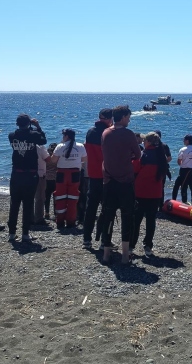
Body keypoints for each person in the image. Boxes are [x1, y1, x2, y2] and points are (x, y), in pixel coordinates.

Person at [96, 105, 142, 262]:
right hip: (125, 181)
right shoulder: (128, 134)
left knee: (108, 215)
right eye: (128, 117)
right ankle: (124, 255)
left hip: (108, 180)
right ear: (123, 117)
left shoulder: (105, 132)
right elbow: (138, 154)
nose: (129, 119)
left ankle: (106, 253)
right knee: (127, 216)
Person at [7, 114, 47, 242]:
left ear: (17, 123)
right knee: (28, 203)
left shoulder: (12, 135)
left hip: (16, 173)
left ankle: (12, 233)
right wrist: (38, 126)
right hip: (30, 173)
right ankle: (25, 233)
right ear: (29, 123)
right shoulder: (33, 134)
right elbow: (43, 141)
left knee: (14, 203)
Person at [130, 132, 168, 256]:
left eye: (144, 140)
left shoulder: (143, 156)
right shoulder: (161, 157)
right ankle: (148, 246)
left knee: (136, 220)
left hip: (141, 192)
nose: (143, 142)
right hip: (155, 193)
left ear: (149, 142)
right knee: (151, 221)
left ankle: (131, 245)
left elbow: (134, 170)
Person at [81, 108, 113, 249]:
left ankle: (86, 239)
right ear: (108, 118)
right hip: (106, 176)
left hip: (92, 174)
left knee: (91, 208)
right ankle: (103, 241)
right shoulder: (108, 133)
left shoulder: (90, 132)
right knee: (106, 209)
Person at [52, 129, 86, 229]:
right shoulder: (80, 146)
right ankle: (71, 221)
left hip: (62, 173)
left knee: (60, 197)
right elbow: (84, 159)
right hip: (75, 174)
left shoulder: (60, 146)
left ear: (66, 136)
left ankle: (60, 221)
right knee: (73, 197)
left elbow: (53, 160)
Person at [172, 134, 192, 205]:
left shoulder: (183, 149)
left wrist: (183, 164)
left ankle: (180, 201)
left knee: (180, 185)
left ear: (187, 141)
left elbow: (179, 161)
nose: (183, 141)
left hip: (184, 170)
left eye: (184, 140)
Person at [33, 139, 51, 226]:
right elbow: (48, 159)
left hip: (27, 174)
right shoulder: (40, 147)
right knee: (40, 197)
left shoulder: (26, 145)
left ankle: (29, 216)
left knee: (29, 197)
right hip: (39, 174)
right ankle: (38, 218)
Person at [42, 143, 58, 220]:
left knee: (47, 197)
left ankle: (47, 213)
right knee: (55, 197)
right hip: (55, 179)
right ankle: (56, 213)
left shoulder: (47, 157)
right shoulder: (57, 157)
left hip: (47, 179)